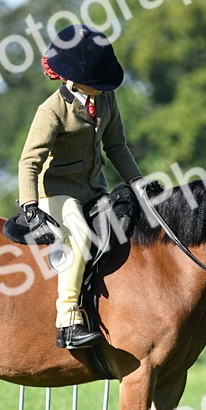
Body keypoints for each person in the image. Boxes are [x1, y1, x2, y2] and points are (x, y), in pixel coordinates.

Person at [18, 24, 148, 349]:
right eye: (96, 84)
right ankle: (68, 321)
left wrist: (139, 185)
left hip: (94, 190)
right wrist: (29, 205)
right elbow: (29, 161)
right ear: (74, 80)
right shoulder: (50, 111)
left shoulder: (106, 99)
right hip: (57, 194)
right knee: (77, 236)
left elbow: (117, 147)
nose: (101, 89)